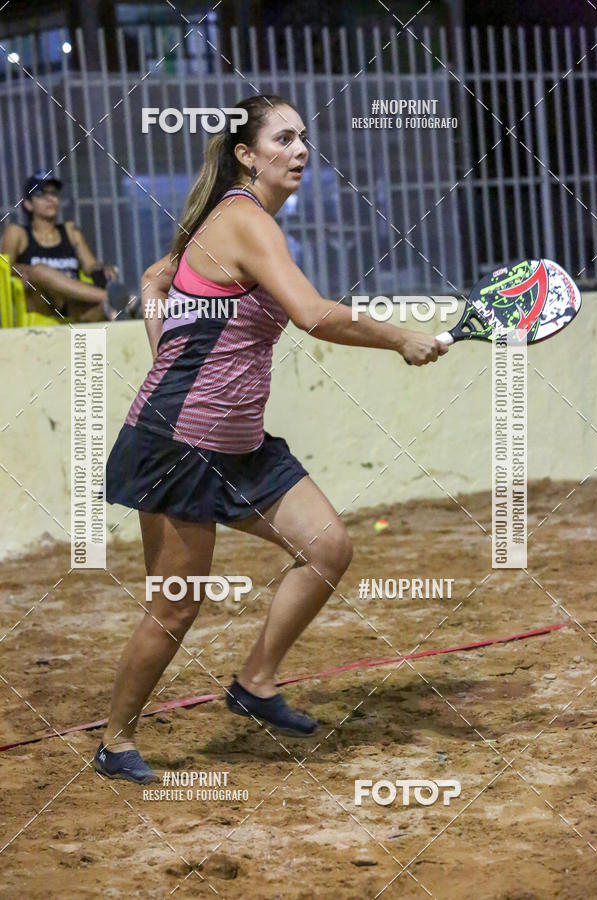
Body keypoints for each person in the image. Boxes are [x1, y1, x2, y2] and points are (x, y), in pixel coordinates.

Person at [94, 94, 448, 784]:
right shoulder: (243, 218)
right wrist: (400, 337)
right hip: (177, 446)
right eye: (283, 138)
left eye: (304, 138)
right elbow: (313, 315)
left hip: (240, 446)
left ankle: (254, 684)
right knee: (176, 603)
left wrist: (163, 329)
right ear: (246, 156)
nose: (300, 150)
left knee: (327, 547)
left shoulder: (226, 219)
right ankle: (114, 740)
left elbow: (157, 281)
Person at [0, 170, 134, 323]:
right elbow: (4, 268)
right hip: (42, 302)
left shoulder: (70, 231)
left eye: (54, 193)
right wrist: (24, 270)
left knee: (100, 307)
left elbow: (89, 266)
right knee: (39, 270)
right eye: (41, 194)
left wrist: (102, 268)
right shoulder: (18, 233)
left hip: (74, 302)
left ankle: (117, 307)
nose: (50, 198)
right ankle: (119, 300)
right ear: (28, 204)